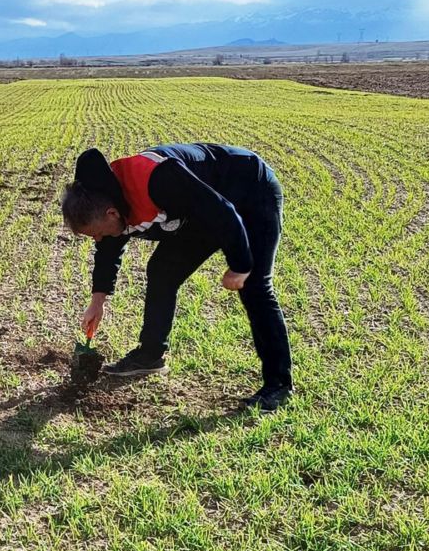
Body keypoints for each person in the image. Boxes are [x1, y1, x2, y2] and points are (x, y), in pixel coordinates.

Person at [61, 143, 293, 411]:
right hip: (203, 209)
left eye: (96, 233)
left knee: (255, 286)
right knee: (162, 269)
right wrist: (97, 300)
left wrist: (240, 266)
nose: (98, 239)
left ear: (111, 213)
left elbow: (223, 213)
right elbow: (108, 247)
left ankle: (279, 385)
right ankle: (150, 355)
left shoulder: (160, 180)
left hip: (250, 189)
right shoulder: (106, 197)